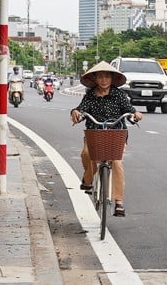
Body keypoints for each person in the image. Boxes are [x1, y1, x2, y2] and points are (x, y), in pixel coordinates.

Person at [70, 61, 141, 217]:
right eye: (100, 77)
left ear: (112, 78)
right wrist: (75, 112)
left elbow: (130, 111)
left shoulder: (119, 95)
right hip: (94, 133)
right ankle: (88, 179)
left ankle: (119, 202)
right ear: (95, 79)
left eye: (107, 77)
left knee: (116, 162)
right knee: (87, 155)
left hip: (116, 134)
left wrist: (136, 114)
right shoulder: (90, 95)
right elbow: (81, 109)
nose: (104, 80)